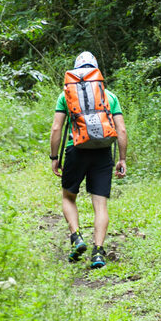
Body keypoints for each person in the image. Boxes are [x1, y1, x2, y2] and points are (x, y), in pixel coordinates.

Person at [49, 52, 128, 269]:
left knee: (68, 196)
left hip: (75, 150)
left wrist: (54, 157)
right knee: (100, 204)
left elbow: (57, 128)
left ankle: (76, 237)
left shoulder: (66, 95)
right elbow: (120, 129)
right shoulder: (108, 96)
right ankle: (98, 253)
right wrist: (122, 159)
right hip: (103, 151)